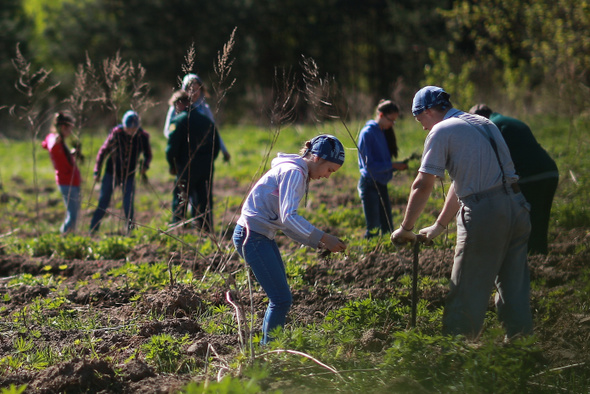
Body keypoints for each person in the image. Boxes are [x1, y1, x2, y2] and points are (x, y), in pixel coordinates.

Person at [391, 86, 533, 340]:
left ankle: (457, 354)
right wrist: (440, 225)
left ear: (429, 111)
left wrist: (406, 228)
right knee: (514, 286)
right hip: (517, 206)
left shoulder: (442, 130)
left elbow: (422, 185)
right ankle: (521, 347)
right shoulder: (483, 122)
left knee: (467, 285)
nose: (422, 127)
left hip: (486, 214)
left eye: (419, 119)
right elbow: (462, 181)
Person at [233, 135, 347, 344]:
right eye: (329, 170)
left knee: (280, 297)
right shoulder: (294, 173)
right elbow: (289, 218)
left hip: (260, 235)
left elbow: (286, 222)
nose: (328, 176)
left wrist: (319, 243)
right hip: (252, 236)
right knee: (281, 299)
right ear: (317, 158)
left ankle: (269, 347)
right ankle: (270, 352)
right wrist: (324, 237)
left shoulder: (297, 172)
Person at [469, 104, 558, 255]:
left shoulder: (491, 126)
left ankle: (530, 260)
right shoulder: (507, 121)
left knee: (522, 221)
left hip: (530, 175)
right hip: (550, 172)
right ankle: (541, 257)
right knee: (540, 219)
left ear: (478, 118)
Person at [90, 110, 152, 234]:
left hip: (129, 175)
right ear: (123, 126)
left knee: (128, 203)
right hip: (111, 173)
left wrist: (145, 165)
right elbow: (103, 151)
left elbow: (148, 154)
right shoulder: (116, 133)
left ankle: (130, 231)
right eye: (128, 129)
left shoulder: (142, 136)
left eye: (133, 129)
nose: (131, 132)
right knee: (103, 201)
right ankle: (93, 229)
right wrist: (97, 170)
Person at [166, 95, 220, 231]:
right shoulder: (206, 121)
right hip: (206, 167)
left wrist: (173, 165)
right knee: (204, 199)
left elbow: (171, 148)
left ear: (179, 104)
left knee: (181, 197)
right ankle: (205, 229)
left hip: (185, 166)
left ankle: (178, 227)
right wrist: (208, 161)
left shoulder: (179, 121)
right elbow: (216, 145)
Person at [357, 100, 408, 238]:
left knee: (387, 227)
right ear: (381, 115)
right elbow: (369, 167)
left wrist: (395, 166)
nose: (392, 124)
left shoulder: (382, 132)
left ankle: (388, 254)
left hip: (381, 184)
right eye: (391, 120)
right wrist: (393, 165)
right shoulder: (367, 133)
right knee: (373, 228)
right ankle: (369, 256)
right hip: (370, 184)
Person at [163, 73, 231, 162]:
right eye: (190, 89)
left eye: (197, 89)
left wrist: (224, 150)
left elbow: (213, 131)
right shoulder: (176, 107)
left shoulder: (204, 108)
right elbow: (168, 131)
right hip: (182, 155)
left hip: (201, 153)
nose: (194, 93)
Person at [42, 112, 82, 234]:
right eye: (70, 128)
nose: (71, 132)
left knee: (74, 213)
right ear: (63, 128)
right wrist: (57, 139)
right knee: (72, 215)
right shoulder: (54, 140)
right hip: (66, 181)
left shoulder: (61, 142)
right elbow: (51, 146)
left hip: (72, 180)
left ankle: (68, 236)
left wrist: (72, 153)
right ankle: (64, 238)